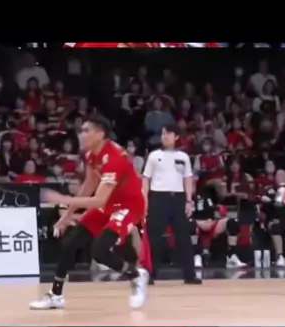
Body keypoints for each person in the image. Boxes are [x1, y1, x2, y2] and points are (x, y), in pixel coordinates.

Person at [30, 115, 149, 310]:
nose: (81, 134)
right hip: (109, 202)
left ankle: (136, 276)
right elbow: (89, 185)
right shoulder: (90, 154)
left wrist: (63, 199)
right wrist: (67, 216)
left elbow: (98, 200)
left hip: (129, 205)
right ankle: (55, 295)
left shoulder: (115, 158)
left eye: (86, 131)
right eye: (81, 130)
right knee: (70, 242)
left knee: (99, 251)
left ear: (100, 134)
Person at [142, 124, 200, 284]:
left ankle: (189, 275)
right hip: (158, 197)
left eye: (168, 133)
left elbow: (187, 179)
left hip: (178, 198)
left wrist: (189, 200)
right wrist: (145, 199)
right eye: (163, 133)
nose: (165, 136)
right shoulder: (153, 156)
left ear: (176, 137)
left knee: (183, 236)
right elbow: (146, 178)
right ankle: (149, 274)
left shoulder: (184, 157)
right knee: (154, 237)